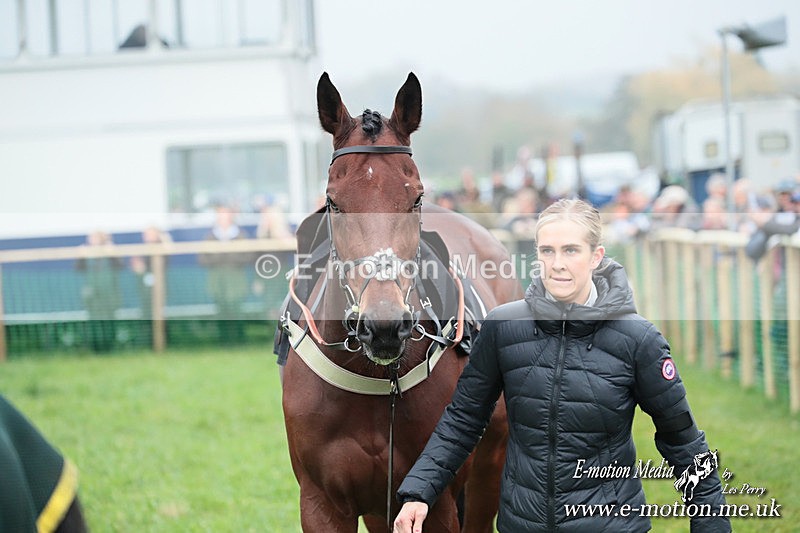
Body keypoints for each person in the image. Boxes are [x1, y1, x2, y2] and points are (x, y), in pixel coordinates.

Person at [394, 198, 730, 533]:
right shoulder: (502, 328)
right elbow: (462, 420)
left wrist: (711, 526)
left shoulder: (638, 339)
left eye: (571, 250)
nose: (557, 264)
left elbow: (684, 443)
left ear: (596, 257)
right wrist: (419, 492)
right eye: (547, 251)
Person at [198, 205, 253, 343]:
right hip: (217, 279)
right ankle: (223, 340)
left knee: (236, 309)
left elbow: (248, 256)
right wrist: (225, 255)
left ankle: (240, 339)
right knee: (221, 309)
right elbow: (203, 259)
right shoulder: (210, 236)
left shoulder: (240, 235)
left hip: (236, 279)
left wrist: (225, 255)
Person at [75, 230, 124, 353]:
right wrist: (81, 256)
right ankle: (95, 348)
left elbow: (120, 267)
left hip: (109, 296)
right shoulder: (88, 255)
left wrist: (113, 254)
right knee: (94, 322)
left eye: (94, 238)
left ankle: (110, 348)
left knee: (109, 322)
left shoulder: (110, 252)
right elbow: (78, 269)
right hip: (93, 297)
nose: (91, 241)